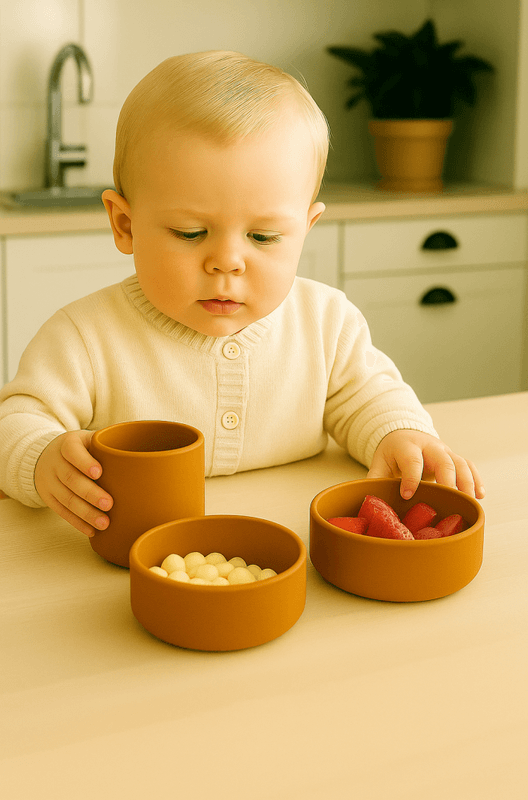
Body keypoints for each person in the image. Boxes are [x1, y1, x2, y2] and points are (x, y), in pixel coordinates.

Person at [0, 51, 484, 538]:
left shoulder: (326, 321)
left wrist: (401, 434)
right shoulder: (84, 337)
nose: (227, 261)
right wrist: (41, 459)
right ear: (125, 225)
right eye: (191, 233)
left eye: (264, 237)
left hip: (293, 543)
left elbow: (369, 396)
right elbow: (16, 423)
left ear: (305, 229)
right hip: (135, 553)